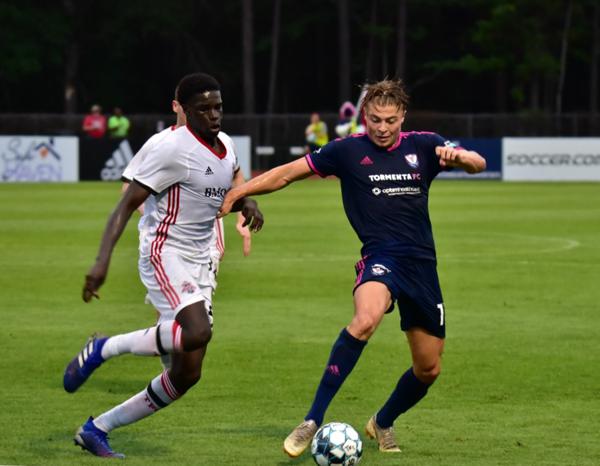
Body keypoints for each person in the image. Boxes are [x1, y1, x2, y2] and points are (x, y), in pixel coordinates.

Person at [219, 78, 486, 458]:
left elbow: (478, 162)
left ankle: (383, 421)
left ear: (403, 117)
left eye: (390, 120)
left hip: (423, 266)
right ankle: (312, 419)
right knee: (365, 319)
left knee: (428, 369)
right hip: (381, 257)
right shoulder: (346, 151)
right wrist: (239, 192)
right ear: (364, 116)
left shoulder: (425, 145)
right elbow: (287, 173)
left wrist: (461, 158)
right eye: (375, 119)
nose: (382, 127)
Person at [63, 72, 263, 459]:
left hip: (203, 258)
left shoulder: (225, 145)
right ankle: (104, 348)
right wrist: (102, 261)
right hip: (165, 251)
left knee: (188, 373)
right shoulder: (169, 147)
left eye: (218, 107)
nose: (214, 115)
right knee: (197, 331)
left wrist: (247, 203)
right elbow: (123, 205)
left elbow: (227, 191)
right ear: (184, 111)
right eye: (203, 109)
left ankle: (96, 428)